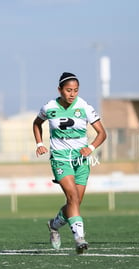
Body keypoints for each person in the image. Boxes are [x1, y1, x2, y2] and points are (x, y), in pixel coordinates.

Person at [33, 72, 107, 254]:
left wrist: (90, 147)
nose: (72, 94)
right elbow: (37, 123)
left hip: (82, 159)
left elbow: (102, 134)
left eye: (75, 90)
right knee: (73, 197)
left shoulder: (84, 107)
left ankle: (53, 225)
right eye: (68, 90)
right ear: (60, 90)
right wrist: (40, 143)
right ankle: (79, 238)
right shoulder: (49, 107)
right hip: (60, 158)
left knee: (75, 202)